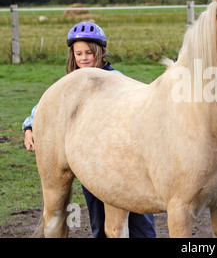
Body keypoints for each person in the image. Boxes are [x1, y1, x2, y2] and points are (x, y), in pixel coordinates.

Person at [23, 22, 156, 238]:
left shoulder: (116, 79)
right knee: (99, 221)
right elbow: (47, 108)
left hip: (123, 163)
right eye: (79, 53)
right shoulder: (70, 86)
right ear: (72, 56)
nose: (84, 58)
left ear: (101, 53)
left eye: (89, 52)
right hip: (89, 162)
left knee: (140, 223)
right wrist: (29, 126)